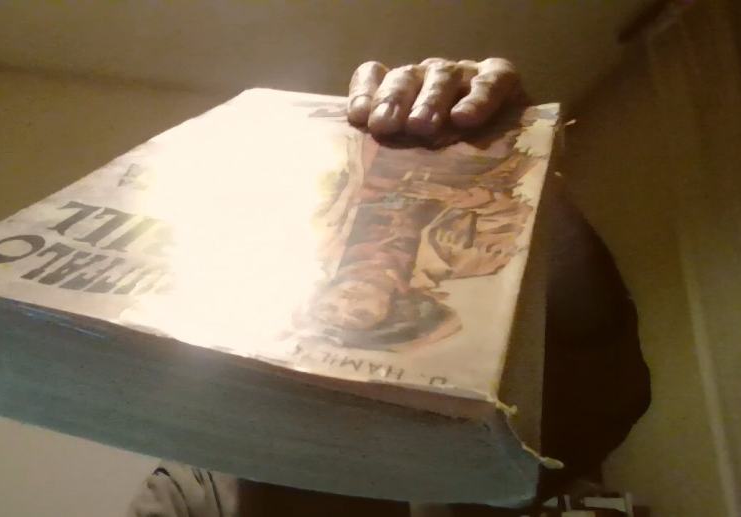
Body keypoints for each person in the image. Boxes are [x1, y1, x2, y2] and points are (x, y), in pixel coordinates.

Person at [128, 58, 651, 517]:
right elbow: (598, 392)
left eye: (342, 311)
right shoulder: (194, 488)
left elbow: (596, 377)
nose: (341, 303)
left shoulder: (457, 443)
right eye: (352, 311)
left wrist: (522, 172)